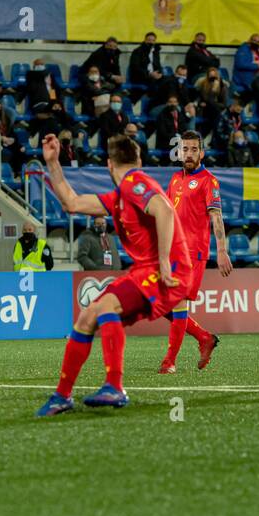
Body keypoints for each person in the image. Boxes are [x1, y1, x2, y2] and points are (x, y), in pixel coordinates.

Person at [35, 135, 192, 415]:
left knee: (106, 306)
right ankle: (62, 396)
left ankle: (115, 387)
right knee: (87, 315)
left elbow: (164, 210)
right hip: (145, 271)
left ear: (109, 165)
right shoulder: (121, 195)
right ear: (139, 159)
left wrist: (165, 261)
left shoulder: (134, 182)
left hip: (165, 270)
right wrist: (53, 164)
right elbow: (72, 203)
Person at [160, 132, 231, 373]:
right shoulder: (174, 179)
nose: (188, 154)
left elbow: (216, 217)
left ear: (201, 153)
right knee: (159, 304)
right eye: (185, 149)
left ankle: (169, 362)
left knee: (178, 305)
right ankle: (204, 337)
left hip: (193, 254)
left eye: (193, 150)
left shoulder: (208, 181)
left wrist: (222, 250)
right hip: (172, 251)